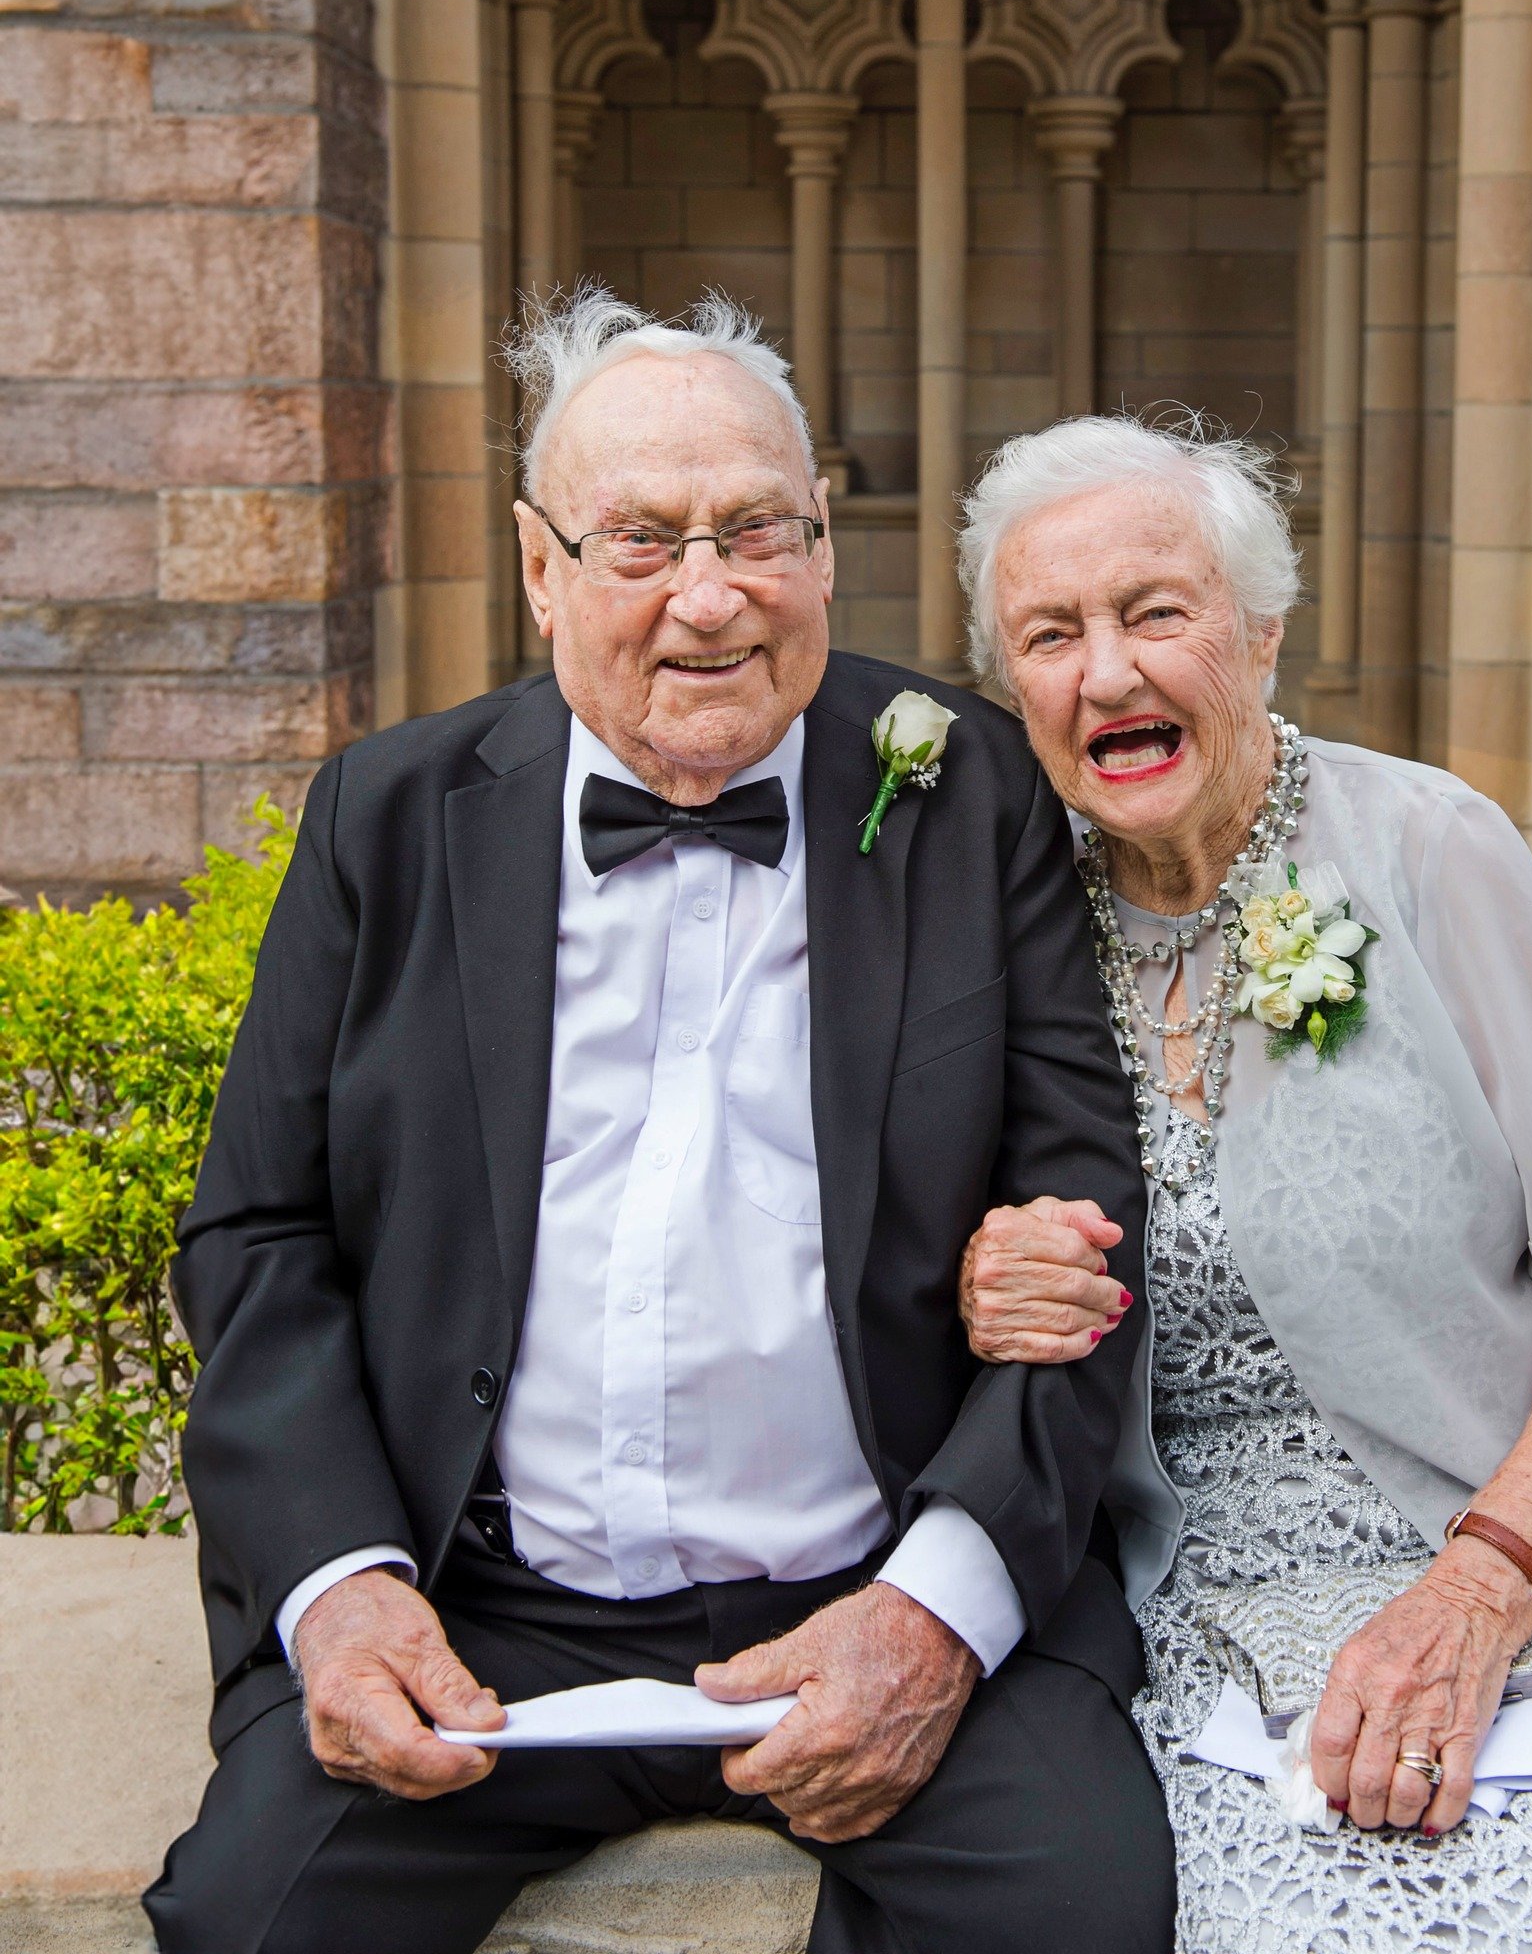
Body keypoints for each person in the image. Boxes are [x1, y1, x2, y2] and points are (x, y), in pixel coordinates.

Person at [143, 291, 1175, 1954]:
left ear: (826, 548)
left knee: (1084, 1920)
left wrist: (933, 1616)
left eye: (758, 529)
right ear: (541, 569)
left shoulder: (965, 789)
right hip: (480, 1611)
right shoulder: (386, 815)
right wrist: (341, 1588)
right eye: (642, 539)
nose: (712, 595)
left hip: (878, 1577)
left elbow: (1084, 1232)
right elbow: (258, 1237)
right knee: (247, 1926)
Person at [949, 413, 1532, 1952]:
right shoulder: (1008, 927)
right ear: (1015, 688)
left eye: (1158, 613)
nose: (1111, 673)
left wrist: (1485, 1587)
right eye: (1053, 634)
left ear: (1261, 634)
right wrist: (985, 1280)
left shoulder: (1427, 847)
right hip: (1228, 1595)